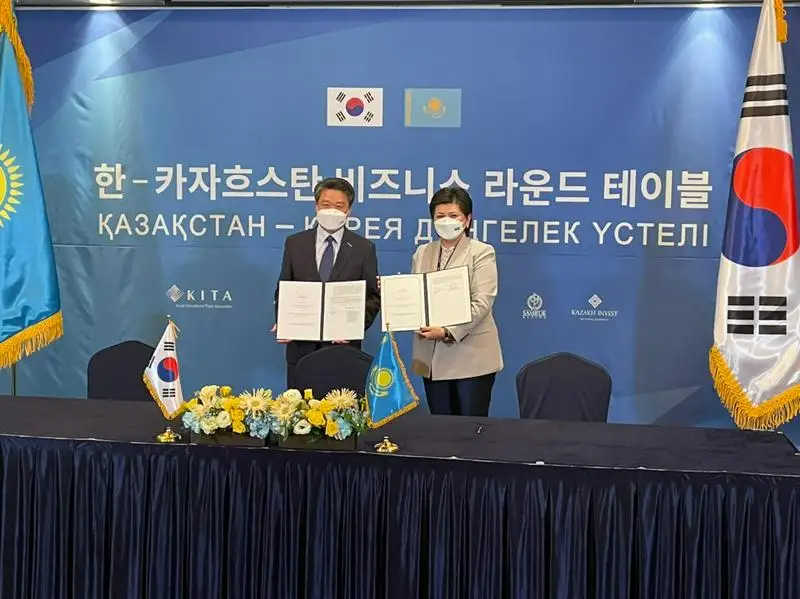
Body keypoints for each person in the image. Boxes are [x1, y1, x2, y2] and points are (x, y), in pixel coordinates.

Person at [273, 177, 380, 388]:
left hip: (343, 350)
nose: (332, 211)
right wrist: (283, 320)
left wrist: (353, 327)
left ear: (349, 211)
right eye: (326, 204)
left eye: (339, 206)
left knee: (341, 407)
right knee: (299, 407)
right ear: (316, 206)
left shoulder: (363, 248)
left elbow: (372, 297)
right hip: (301, 349)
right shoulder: (295, 243)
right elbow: (284, 287)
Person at [410, 186, 503, 416]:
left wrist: (447, 331)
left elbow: (482, 302)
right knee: (441, 430)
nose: (446, 221)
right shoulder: (422, 252)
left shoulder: (481, 252)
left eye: (453, 215)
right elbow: (416, 296)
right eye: (440, 216)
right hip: (431, 359)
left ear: (467, 219)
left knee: (469, 430)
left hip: (471, 358)